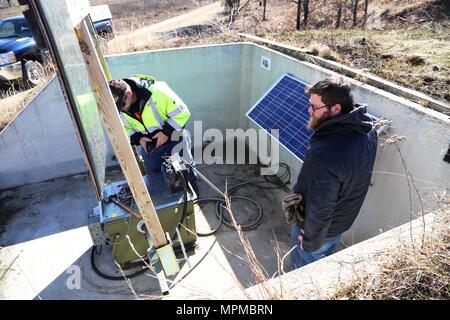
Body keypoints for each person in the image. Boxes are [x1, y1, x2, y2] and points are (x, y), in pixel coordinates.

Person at [286, 76, 378, 270]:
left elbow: (320, 207)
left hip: (317, 231)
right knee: (322, 264)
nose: (309, 110)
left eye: (315, 107)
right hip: (341, 223)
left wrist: (309, 242)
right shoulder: (368, 131)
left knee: (303, 273)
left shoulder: (326, 154)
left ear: (336, 109)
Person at [108, 74, 198, 194]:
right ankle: (166, 200)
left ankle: (192, 194)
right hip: (150, 146)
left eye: (122, 105)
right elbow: (125, 128)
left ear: (129, 93)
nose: (122, 110)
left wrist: (165, 133)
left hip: (174, 138)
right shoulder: (118, 106)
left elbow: (182, 113)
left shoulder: (158, 91)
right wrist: (139, 139)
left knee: (185, 170)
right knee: (155, 176)